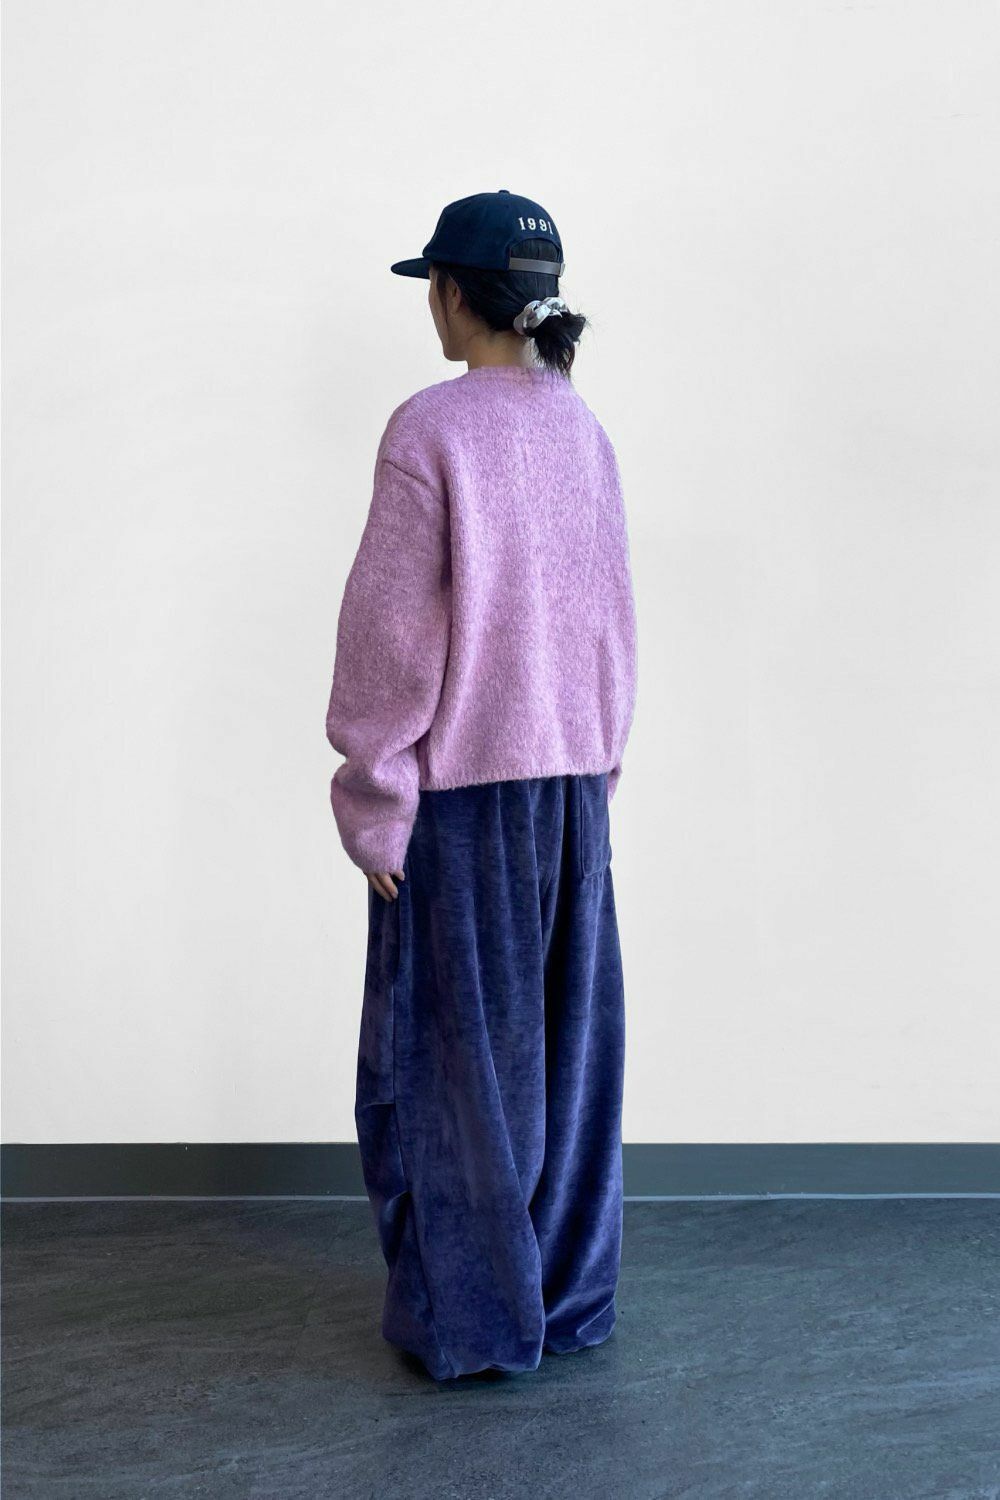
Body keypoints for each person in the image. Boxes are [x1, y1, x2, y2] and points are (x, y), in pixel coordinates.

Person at [324, 189, 638, 1381]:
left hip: (458, 797)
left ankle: (472, 1320)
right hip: (572, 792)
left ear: (455, 295)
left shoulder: (430, 428)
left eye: (435, 290)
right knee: (568, 1064)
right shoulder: (581, 428)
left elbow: (390, 637)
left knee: (450, 1071)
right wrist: (599, 766)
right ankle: (565, 1303)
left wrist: (375, 795)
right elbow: (611, 621)